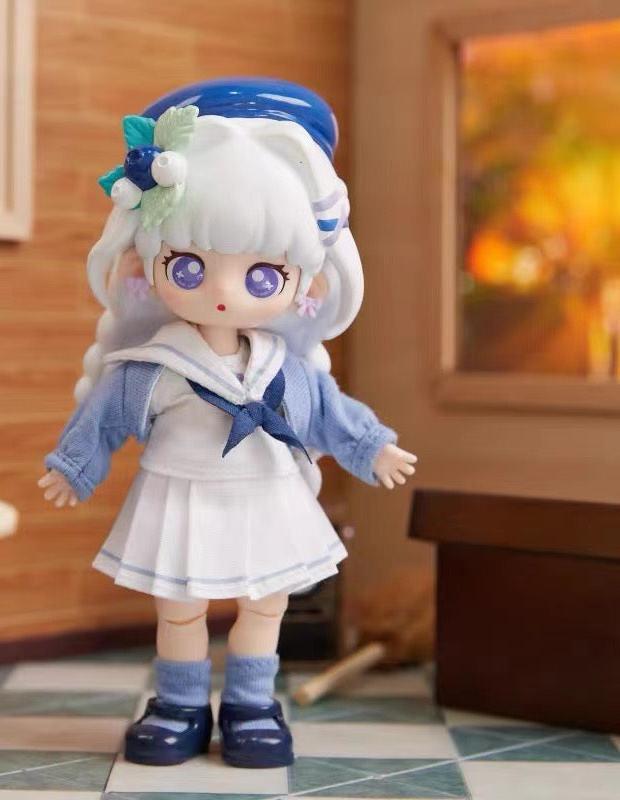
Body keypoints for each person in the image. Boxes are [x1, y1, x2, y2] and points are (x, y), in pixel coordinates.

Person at [39, 78, 417, 768]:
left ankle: (251, 705)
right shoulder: (154, 365)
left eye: (262, 276)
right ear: (147, 262)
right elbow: (107, 416)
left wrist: (372, 447)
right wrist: (74, 465)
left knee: (264, 604)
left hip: (267, 491)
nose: (221, 292)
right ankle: (179, 705)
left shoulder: (282, 366)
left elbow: (330, 413)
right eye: (188, 267)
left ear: (304, 282)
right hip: (180, 491)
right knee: (179, 608)